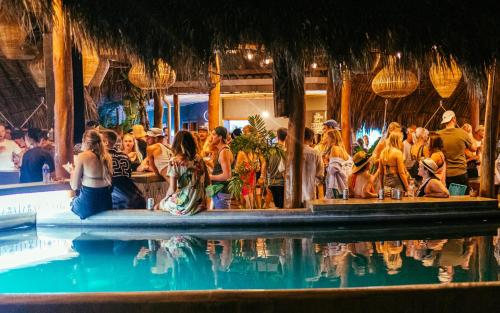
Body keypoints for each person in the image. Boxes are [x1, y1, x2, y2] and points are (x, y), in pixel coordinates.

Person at [158, 130, 210, 215]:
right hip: (198, 203)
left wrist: (165, 200)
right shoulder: (198, 159)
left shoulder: (173, 162)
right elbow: (207, 182)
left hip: (184, 205)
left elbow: (172, 189)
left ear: (175, 144)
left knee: (159, 205)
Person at [67, 129, 113, 219]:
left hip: (89, 203)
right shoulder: (107, 156)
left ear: (85, 142)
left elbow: (75, 186)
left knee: (71, 202)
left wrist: (72, 172)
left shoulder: (83, 156)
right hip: (106, 202)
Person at [102, 130, 146, 209]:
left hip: (118, 201)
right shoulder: (125, 156)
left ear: (105, 142)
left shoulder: (102, 157)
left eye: (99, 141)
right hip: (136, 197)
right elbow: (128, 176)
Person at [438, 110, 476, 191]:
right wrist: (470, 133)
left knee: (447, 201)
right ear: (454, 119)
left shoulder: (438, 135)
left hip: (444, 174)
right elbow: (474, 148)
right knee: (463, 201)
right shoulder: (462, 133)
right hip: (460, 173)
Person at [209, 126, 234, 209]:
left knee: (223, 219)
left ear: (220, 137)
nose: (211, 137)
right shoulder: (221, 151)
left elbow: (227, 176)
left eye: (213, 135)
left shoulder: (224, 152)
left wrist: (209, 176)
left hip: (222, 192)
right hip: (218, 190)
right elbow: (219, 170)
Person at [325, 129, 351, 199]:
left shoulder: (334, 148)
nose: (326, 140)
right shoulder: (344, 151)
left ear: (333, 139)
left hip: (336, 185)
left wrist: (327, 166)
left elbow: (333, 168)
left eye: (327, 137)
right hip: (344, 185)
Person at [301, 127, 324, 203]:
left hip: (291, 195)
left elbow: (282, 170)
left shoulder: (289, 152)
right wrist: (321, 196)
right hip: (309, 194)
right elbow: (320, 175)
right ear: (311, 139)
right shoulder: (316, 153)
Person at [267, 128, 287, 208]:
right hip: (282, 182)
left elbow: (266, 166)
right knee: (282, 207)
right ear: (287, 137)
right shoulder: (286, 150)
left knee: (277, 206)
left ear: (277, 137)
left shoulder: (271, 150)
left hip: (272, 182)